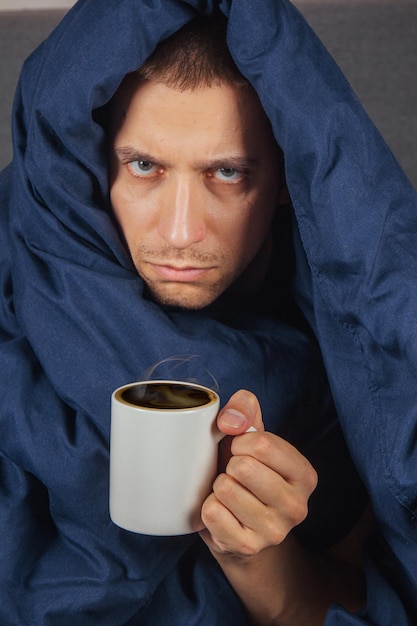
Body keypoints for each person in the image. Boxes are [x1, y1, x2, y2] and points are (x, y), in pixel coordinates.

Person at [0, 1, 416, 625]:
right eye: (144, 166)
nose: (180, 231)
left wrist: (257, 555)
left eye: (226, 172)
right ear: (94, 168)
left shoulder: (352, 361)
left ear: (283, 178)